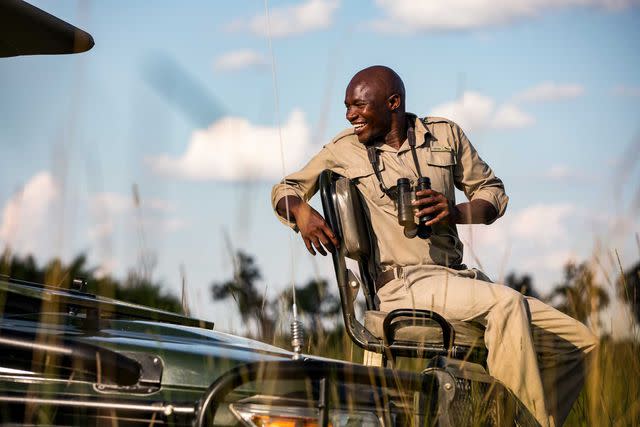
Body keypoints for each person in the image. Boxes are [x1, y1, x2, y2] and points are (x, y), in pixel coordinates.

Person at [271, 65, 597, 427]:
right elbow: (284, 189)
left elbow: (493, 194)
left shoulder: (445, 135)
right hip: (401, 286)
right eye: (347, 107)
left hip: (459, 280)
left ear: (393, 102)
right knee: (505, 304)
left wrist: (454, 212)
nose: (350, 116)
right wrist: (300, 211)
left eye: (359, 106)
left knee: (581, 343)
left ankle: (518, 420)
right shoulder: (343, 149)